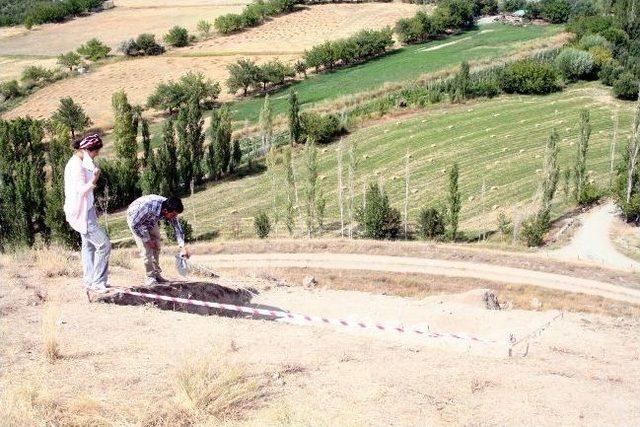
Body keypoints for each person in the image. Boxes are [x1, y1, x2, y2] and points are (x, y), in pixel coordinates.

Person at [63, 133, 111, 294]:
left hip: (86, 210)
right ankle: (98, 282)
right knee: (103, 245)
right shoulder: (76, 165)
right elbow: (80, 190)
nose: (97, 154)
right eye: (96, 151)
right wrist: (95, 179)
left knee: (88, 246)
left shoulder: (81, 160)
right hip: (81, 212)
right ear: (87, 149)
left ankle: (90, 281)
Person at [126, 195, 191, 286]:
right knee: (146, 250)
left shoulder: (168, 206)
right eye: (173, 215)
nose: (174, 217)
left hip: (151, 219)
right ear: (165, 211)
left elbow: (177, 227)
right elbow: (134, 225)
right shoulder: (146, 208)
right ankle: (150, 277)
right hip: (136, 220)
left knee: (157, 245)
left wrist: (182, 246)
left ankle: (156, 274)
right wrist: (147, 240)